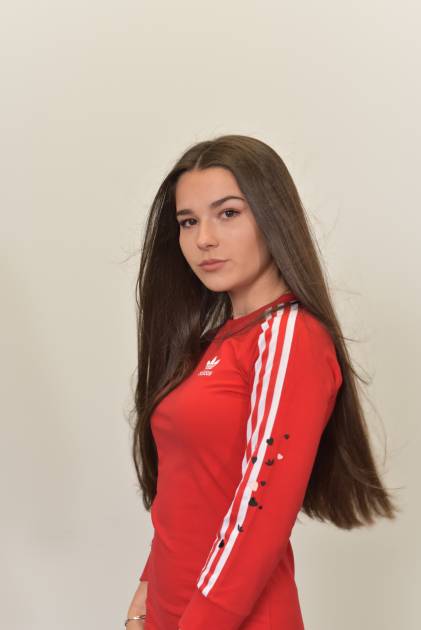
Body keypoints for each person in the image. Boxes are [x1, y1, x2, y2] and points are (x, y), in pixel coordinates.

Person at [125, 135, 400, 629]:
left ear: (273, 218)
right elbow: (187, 489)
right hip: (170, 611)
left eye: (228, 213)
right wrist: (147, 593)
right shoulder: (213, 342)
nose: (204, 239)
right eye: (188, 221)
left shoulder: (290, 336)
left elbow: (262, 506)